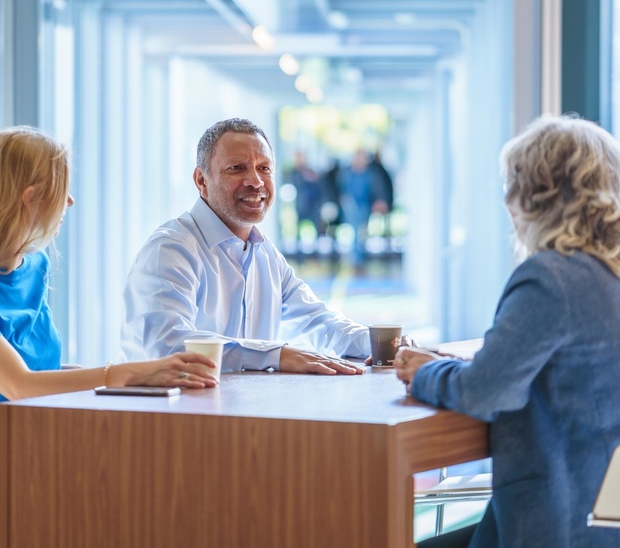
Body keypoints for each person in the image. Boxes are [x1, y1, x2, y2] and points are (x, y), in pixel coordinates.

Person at [396, 114, 620, 548]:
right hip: (603, 521)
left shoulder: (551, 277)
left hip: (549, 525)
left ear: (534, 194)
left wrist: (423, 372)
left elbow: (484, 393)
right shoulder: (609, 275)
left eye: (510, 186)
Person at [121, 118, 370, 374]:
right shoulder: (171, 249)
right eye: (237, 168)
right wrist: (277, 355)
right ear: (201, 181)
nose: (256, 181)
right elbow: (169, 347)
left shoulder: (265, 253)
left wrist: (380, 343)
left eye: (264, 168)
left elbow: (319, 322)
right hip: (172, 412)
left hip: (239, 409)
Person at [0, 126, 219, 401]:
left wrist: (132, 376)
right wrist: (132, 373)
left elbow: (43, 371)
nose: (70, 201)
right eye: (61, 191)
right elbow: (20, 385)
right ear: (31, 198)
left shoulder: (34, 265)